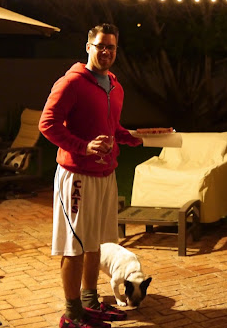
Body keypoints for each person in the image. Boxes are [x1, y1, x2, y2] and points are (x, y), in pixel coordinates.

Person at [39, 23, 142, 328]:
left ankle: (89, 302)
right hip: (77, 175)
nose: (106, 51)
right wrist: (82, 147)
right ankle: (71, 314)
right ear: (88, 47)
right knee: (75, 246)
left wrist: (133, 137)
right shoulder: (71, 83)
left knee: (96, 243)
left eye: (111, 47)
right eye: (100, 46)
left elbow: (111, 128)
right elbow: (47, 124)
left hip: (105, 173)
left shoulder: (115, 86)